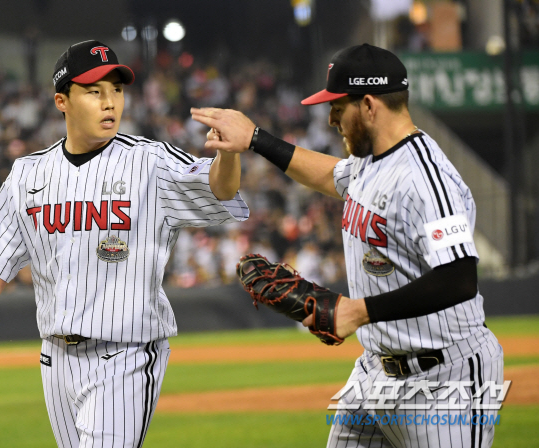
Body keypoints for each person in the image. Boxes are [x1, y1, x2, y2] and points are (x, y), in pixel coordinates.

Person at [0, 40, 249, 448]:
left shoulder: (150, 161)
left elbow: (220, 190)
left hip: (125, 354)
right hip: (55, 360)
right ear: (61, 100)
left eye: (117, 90)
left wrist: (229, 156)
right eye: (94, 91)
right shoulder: (28, 175)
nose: (110, 102)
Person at [191, 43, 503, 448]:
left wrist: (357, 311)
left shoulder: (424, 178)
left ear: (369, 105)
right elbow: (328, 175)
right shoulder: (373, 161)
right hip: (375, 372)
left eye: (338, 106)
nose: (331, 117)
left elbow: (461, 278)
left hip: (444, 378)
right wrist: (255, 139)